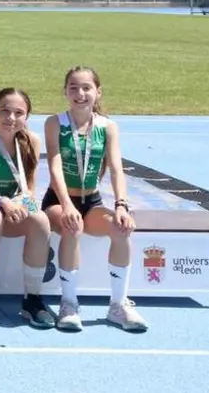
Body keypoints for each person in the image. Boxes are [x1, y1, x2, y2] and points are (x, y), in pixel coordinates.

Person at [43, 66, 146, 332]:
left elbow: (115, 169)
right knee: (71, 226)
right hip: (58, 200)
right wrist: (66, 205)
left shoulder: (108, 127)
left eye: (86, 87)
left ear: (97, 92)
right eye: (73, 88)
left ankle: (118, 305)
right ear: (65, 92)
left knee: (121, 230)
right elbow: (54, 167)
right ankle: (69, 304)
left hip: (93, 202)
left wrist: (121, 206)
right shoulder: (54, 123)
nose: (80, 93)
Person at [0, 88, 56, 331]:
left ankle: (33, 299)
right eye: (5, 111)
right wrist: (3, 202)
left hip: (9, 202)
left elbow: (29, 190)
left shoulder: (31, 141)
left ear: (27, 117)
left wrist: (27, 206)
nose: (11, 118)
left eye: (19, 113)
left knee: (41, 220)